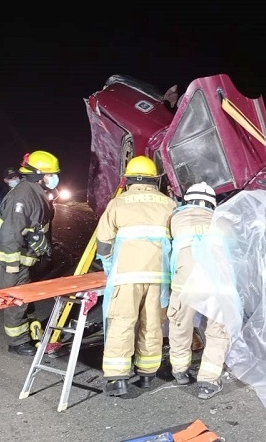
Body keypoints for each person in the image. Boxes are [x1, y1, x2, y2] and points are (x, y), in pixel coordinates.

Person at [95, 155, 177, 396]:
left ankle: (117, 378)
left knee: (122, 322)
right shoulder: (169, 204)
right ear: (155, 179)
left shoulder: (119, 203)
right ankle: (147, 375)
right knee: (152, 325)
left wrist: (110, 265)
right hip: (159, 278)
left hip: (126, 277)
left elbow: (103, 242)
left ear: (128, 179)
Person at [0, 151, 59, 355]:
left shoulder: (34, 192)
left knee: (25, 299)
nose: (54, 178)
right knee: (15, 300)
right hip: (15, 260)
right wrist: (12, 266)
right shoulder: (21, 197)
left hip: (26, 258)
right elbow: (10, 234)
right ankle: (17, 342)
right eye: (50, 174)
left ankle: (26, 333)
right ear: (38, 174)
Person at [167, 182, 229, 400]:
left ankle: (180, 370)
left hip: (184, 284)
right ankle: (208, 381)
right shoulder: (222, 221)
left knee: (180, 324)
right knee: (217, 331)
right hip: (216, 284)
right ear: (212, 203)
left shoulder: (175, 218)